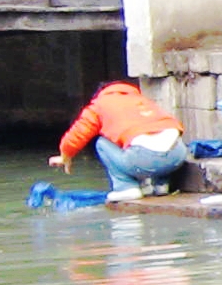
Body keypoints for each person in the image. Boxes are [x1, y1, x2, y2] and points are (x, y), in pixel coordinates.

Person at [52, 79, 190, 201]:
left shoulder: (99, 105)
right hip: (177, 156)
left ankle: (126, 188)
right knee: (155, 137)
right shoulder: (142, 100)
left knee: (101, 143)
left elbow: (79, 132)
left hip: (144, 159)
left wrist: (66, 155)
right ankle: (161, 185)